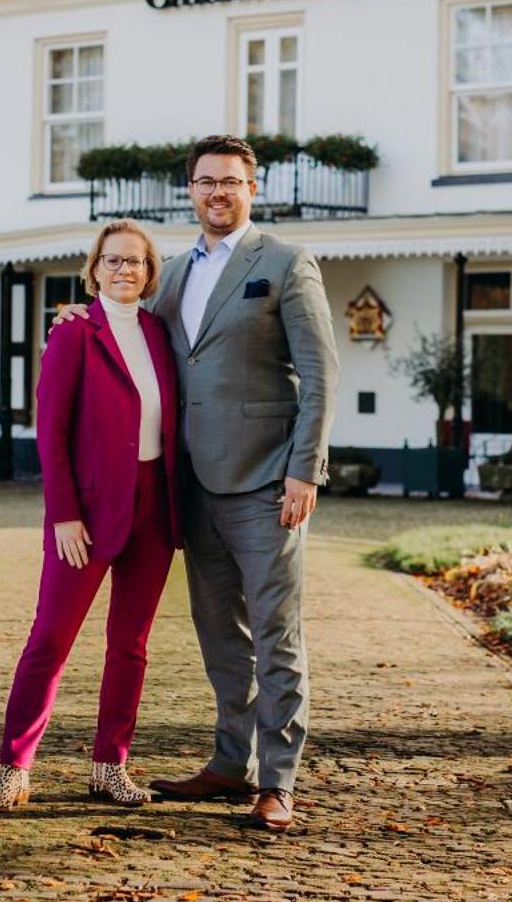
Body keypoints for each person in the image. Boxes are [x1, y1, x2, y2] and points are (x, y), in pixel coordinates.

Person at [55, 134, 337, 832]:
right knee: (218, 633)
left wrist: (306, 468)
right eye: (207, 181)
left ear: (252, 187)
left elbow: (320, 372)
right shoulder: (174, 272)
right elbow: (131, 334)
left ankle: (277, 782)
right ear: (191, 190)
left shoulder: (286, 262)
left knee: (277, 634)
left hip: (269, 482)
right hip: (192, 489)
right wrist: (77, 318)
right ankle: (228, 760)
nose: (219, 192)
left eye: (232, 181)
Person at [0, 220, 180, 812]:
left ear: (150, 274)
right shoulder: (73, 334)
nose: (124, 271)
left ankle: (110, 767)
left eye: (136, 263)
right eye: (113, 261)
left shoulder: (158, 333)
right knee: (50, 640)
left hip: (155, 507)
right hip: (85, 515)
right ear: (93, 269)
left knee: (131, 646)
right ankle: (14, 769)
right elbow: (52, 432)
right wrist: (64, 514)